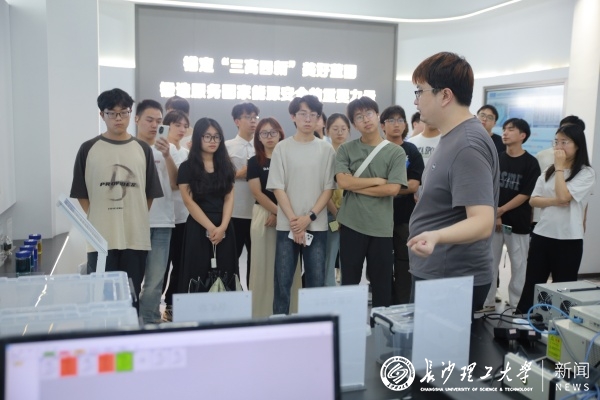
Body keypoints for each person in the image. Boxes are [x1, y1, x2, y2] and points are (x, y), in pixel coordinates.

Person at [407, 52, 499, 314]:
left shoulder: (467, 145)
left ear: (445, 95)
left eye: (420, 91)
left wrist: (436, 235)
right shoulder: (452, 136)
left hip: (451, 277)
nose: (416, 100)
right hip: (439, 271)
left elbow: (482, 222)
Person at [70, 88, 163, 304]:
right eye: (112, 113)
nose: (118, 118)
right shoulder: (88, 148)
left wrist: (135, 215)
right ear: (102, 115)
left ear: (131, 114)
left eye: (123, 112)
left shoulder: (143, 149)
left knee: (131, 297)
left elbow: (148, 194)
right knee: (102, 299)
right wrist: (99, 218)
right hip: (100, 239)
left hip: (135, 237)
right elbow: (82, 193)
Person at [267, 94, 336, 315]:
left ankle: (315, 328)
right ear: (293, 116)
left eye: (313, 115)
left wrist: (309, 218)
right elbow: (278, 187)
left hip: (316, 225)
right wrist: (295, 222)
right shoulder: (282, 148)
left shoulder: (326, 149)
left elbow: (328, 188)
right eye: (303, 114)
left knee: (316, 283)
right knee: (282, 283)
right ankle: (279, 327)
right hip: (287, 226)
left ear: (319, 118)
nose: (308, 119)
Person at [335, 97, 407, 308]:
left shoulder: (396, 151)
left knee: (382, 286)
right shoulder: (346, 149)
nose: (365, 119)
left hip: (381, 228)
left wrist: (355, 185)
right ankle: (348, 323)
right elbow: (343, 182)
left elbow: (393, 189)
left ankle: (379, 325)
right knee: (349, 283)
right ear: (354, 124)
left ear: (377, 116)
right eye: (359, 117)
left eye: (368, 114)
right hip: (351, 224)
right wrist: (377, 181)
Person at [517, 123, 595, 313]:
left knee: (563, 288)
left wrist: (559, 169)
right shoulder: (548, 171)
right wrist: (554, 201)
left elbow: (564, 195)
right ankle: (524, 317)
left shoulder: (586, 172)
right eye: (556, 141)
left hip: (569, 239)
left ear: (577, 145)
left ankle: (557, 323)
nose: (558, 147)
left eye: (564, 142)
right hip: (542, 234)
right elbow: (534, 200)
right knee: (533, 282)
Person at [479, 118, 540, 312]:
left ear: (523, 135)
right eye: (504, 129)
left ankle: (517, 305)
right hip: (493, 220)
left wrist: (502, 210)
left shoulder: (531, 163)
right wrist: (496, 214)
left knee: (519, 265)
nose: (505, 133)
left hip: (518, 223)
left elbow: (525, 194)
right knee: (490, 263)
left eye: (511, 129)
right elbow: (488, 187)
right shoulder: (496, 158)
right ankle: (487, 302)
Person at [247, 117, 301, 317]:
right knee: (262, 265)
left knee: (289, 265)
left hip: (290, 215)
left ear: (280, 134)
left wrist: (283, 214)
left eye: (273, 132)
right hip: (264, 215)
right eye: (264, 133)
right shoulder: (254, 162)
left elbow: (294, 188)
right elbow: (257, 192)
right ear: (258, 138)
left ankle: (291, 311)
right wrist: (278, 212)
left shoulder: (290, 159)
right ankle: (260, 313)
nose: (269, 137)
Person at [177, 118, 238, 294]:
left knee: (226, 272)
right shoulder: (186, 167)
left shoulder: (226, 166)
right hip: (198, 226)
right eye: (208, 136)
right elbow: (189, 202)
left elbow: (229, 198)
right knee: (197, 272)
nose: (213, 141)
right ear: (198, 138)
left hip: (224, 226)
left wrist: (223, 227)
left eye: (217, 137)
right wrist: (211, 228)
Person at [135, 100, 179, 324]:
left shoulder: (168, 149)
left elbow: (175, 184)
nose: (154, 125)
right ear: (137, 120)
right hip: (135, 222)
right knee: (133, 277)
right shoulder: (130, 148)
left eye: (159, 121)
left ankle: (150, 318)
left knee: (155, 278)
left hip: (162, 221)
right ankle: (131, 318)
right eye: (149, 120)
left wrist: (168, 156)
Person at [380, 105, 424, 304]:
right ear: (383, 125)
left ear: (405, 125)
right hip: (378, 216)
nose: (396, 124)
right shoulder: (377, 149)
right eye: (391, 120)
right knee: (380, 263)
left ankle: (402, 304)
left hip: (404, 217)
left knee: (404, 262)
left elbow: (414, 185)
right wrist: (397, 186)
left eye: (400, 120)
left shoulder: (411, 150)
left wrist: (388, 187)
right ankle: (384, 303)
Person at [226, 102, 260, 288]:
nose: (253, 121)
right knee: (232, 259)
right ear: (236, 121)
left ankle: (254, 297)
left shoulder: (262, 146)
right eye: (248, 117)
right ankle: (234, 295)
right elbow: (221, 177)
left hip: (258, 211)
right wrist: (242, 173)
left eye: (255, 117)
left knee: (257, 261)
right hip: (235, 212)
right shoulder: (227, 146)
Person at [160, 110, 190, 322]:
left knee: (180, 265)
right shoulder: (161, 149)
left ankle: (171, 305)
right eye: (177, 125)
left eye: (185, 126)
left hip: (184, 217)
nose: (182, 129)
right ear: (167, 126)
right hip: (164, 216)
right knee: (160, 266)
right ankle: (152, 305)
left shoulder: (187, 153)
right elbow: (174, 183)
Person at [324, 113, 350, 286]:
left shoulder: (353, 154)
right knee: (329, 256)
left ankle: (347, 292)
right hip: (330, 214)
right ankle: (328, 290)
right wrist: (336, 214)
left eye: (343, 129)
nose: (340, 132)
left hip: (351, 216)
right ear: (327, 131)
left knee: (348, 257)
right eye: (335, 129)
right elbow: (322, 188)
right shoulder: (325, 155)